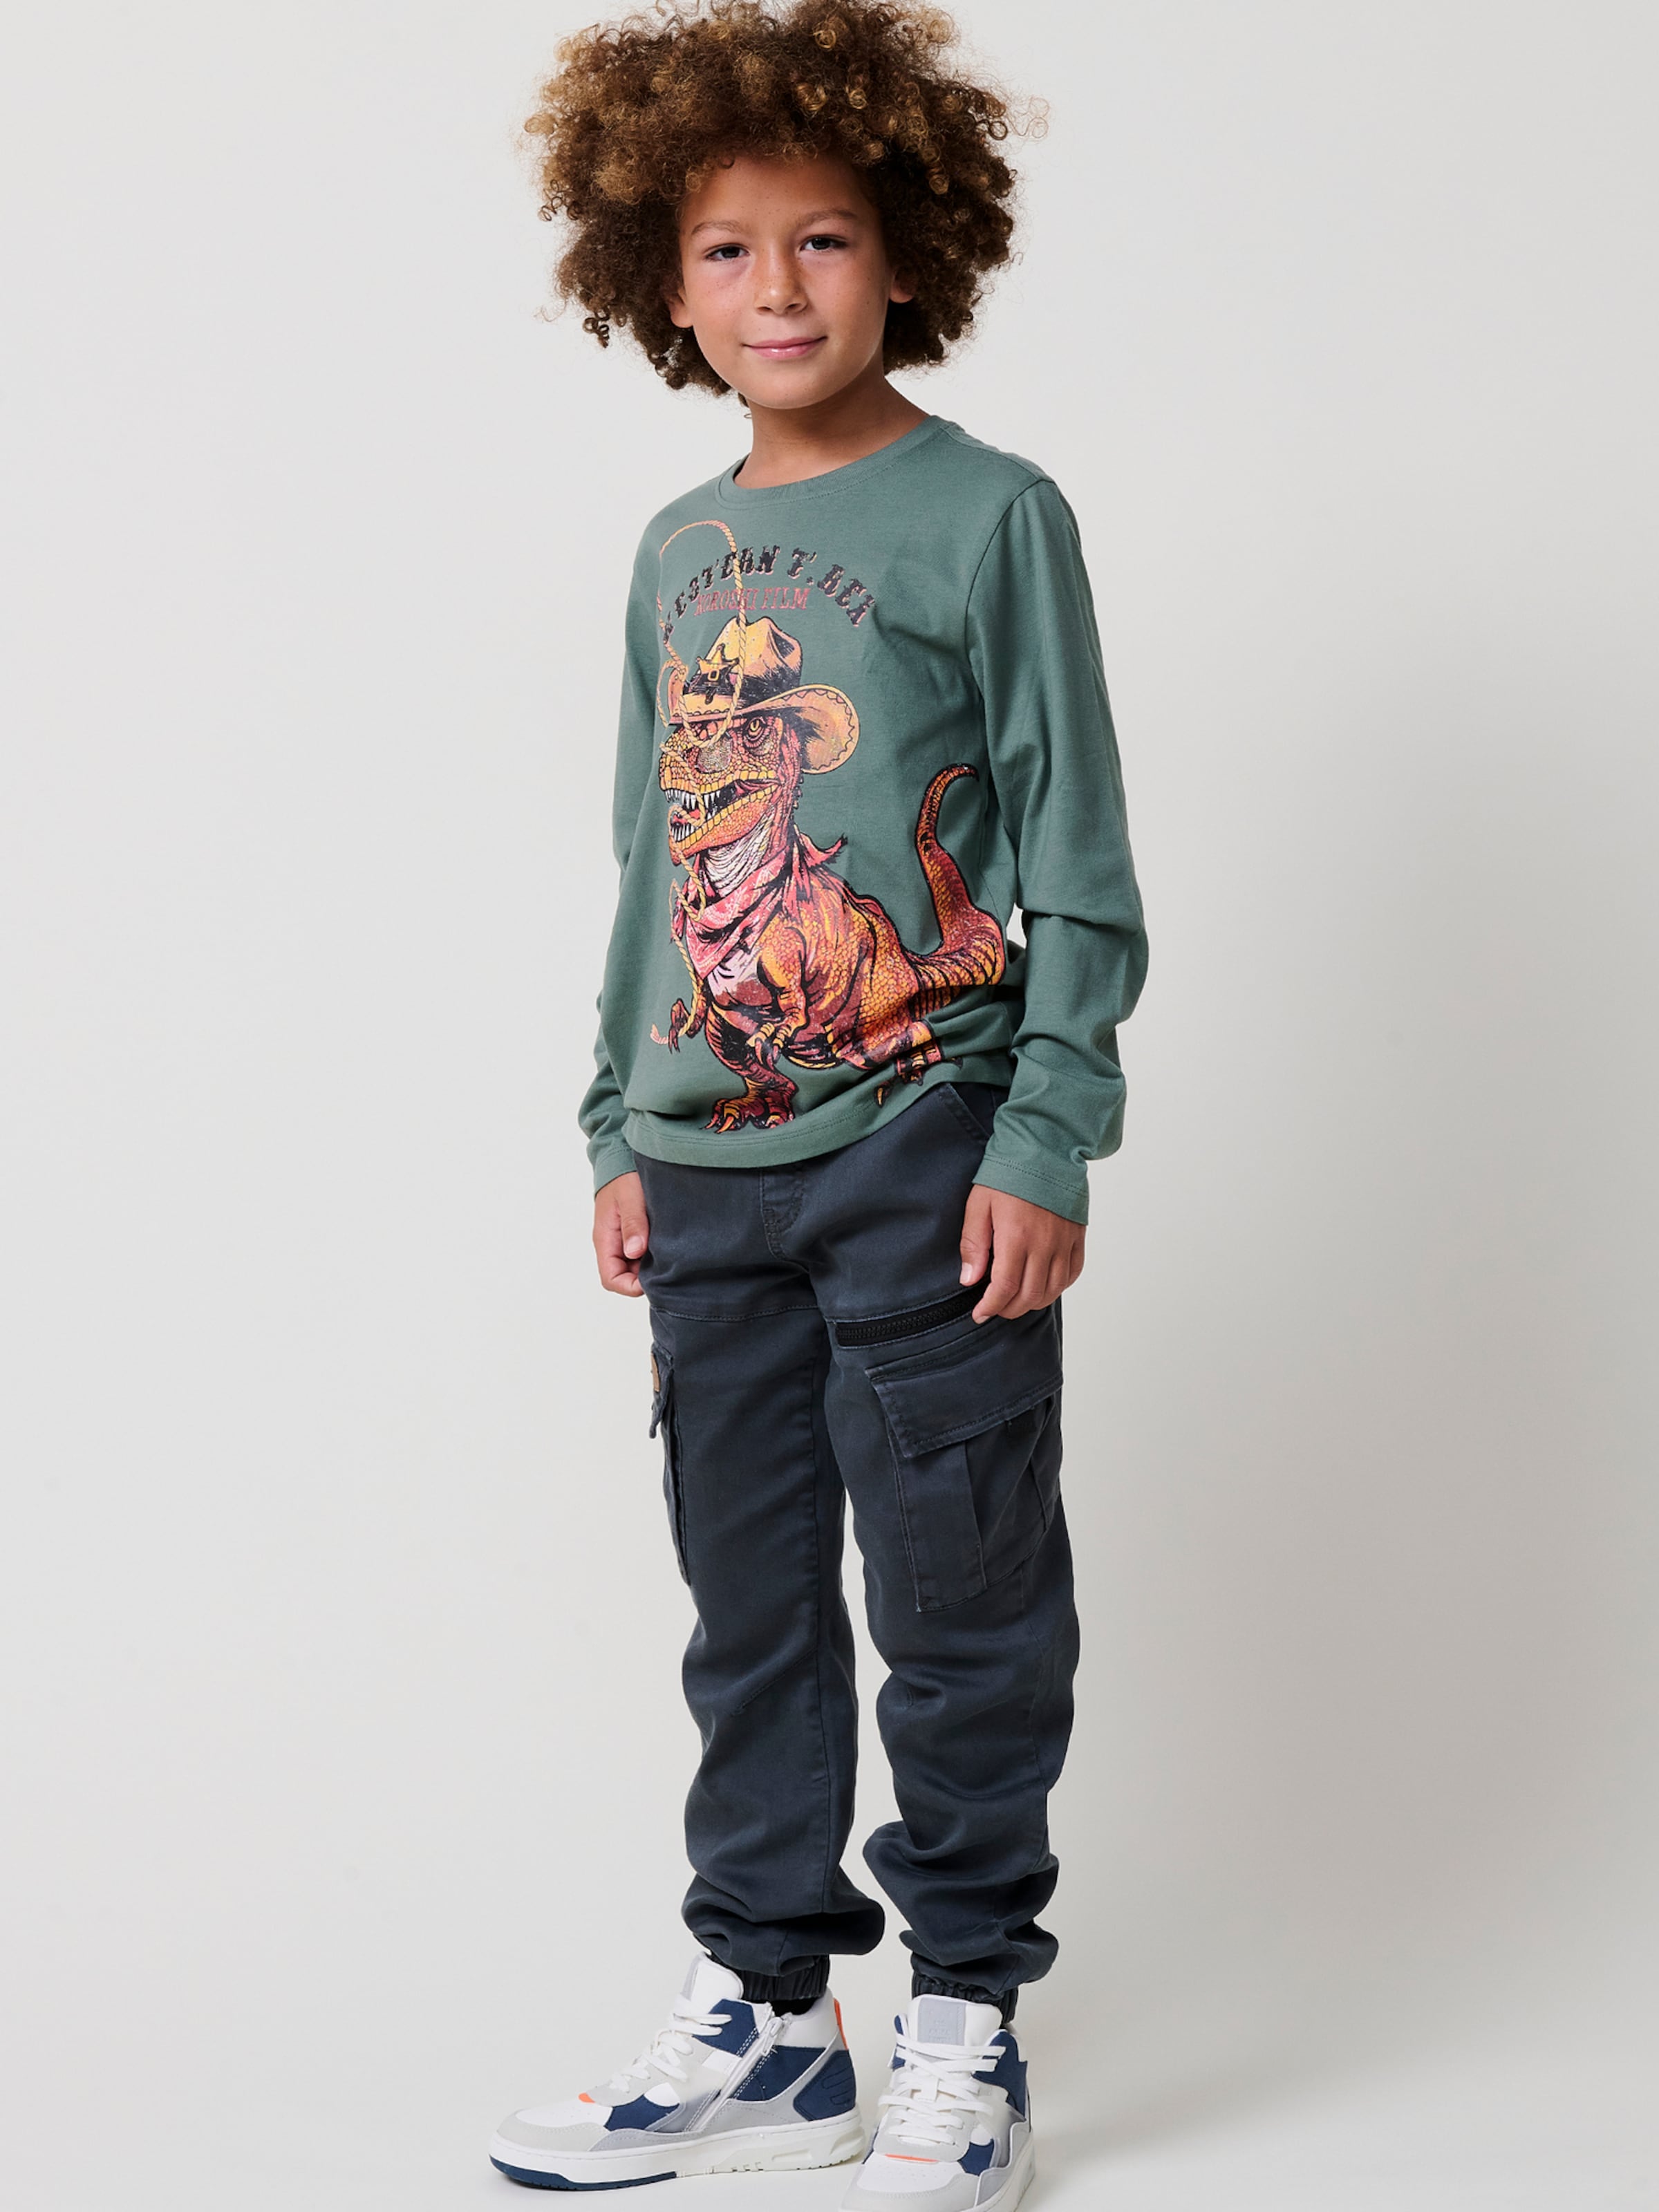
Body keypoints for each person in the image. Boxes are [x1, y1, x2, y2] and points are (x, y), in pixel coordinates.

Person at [490, 3, 1147, 2201]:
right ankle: (775, 2019)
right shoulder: (677, 553)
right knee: (750, 1607)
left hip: (922, 1148)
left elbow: (1077, 857)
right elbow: (647, 863)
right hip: (707, 1175)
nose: (779, 287)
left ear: (909, 253)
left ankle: (964, 2010)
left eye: (827, 238)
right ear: (659, 284)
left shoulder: (993, 517)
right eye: (727, 248)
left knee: (962, 1598)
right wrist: (618, 1122)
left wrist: (1045, 1133)